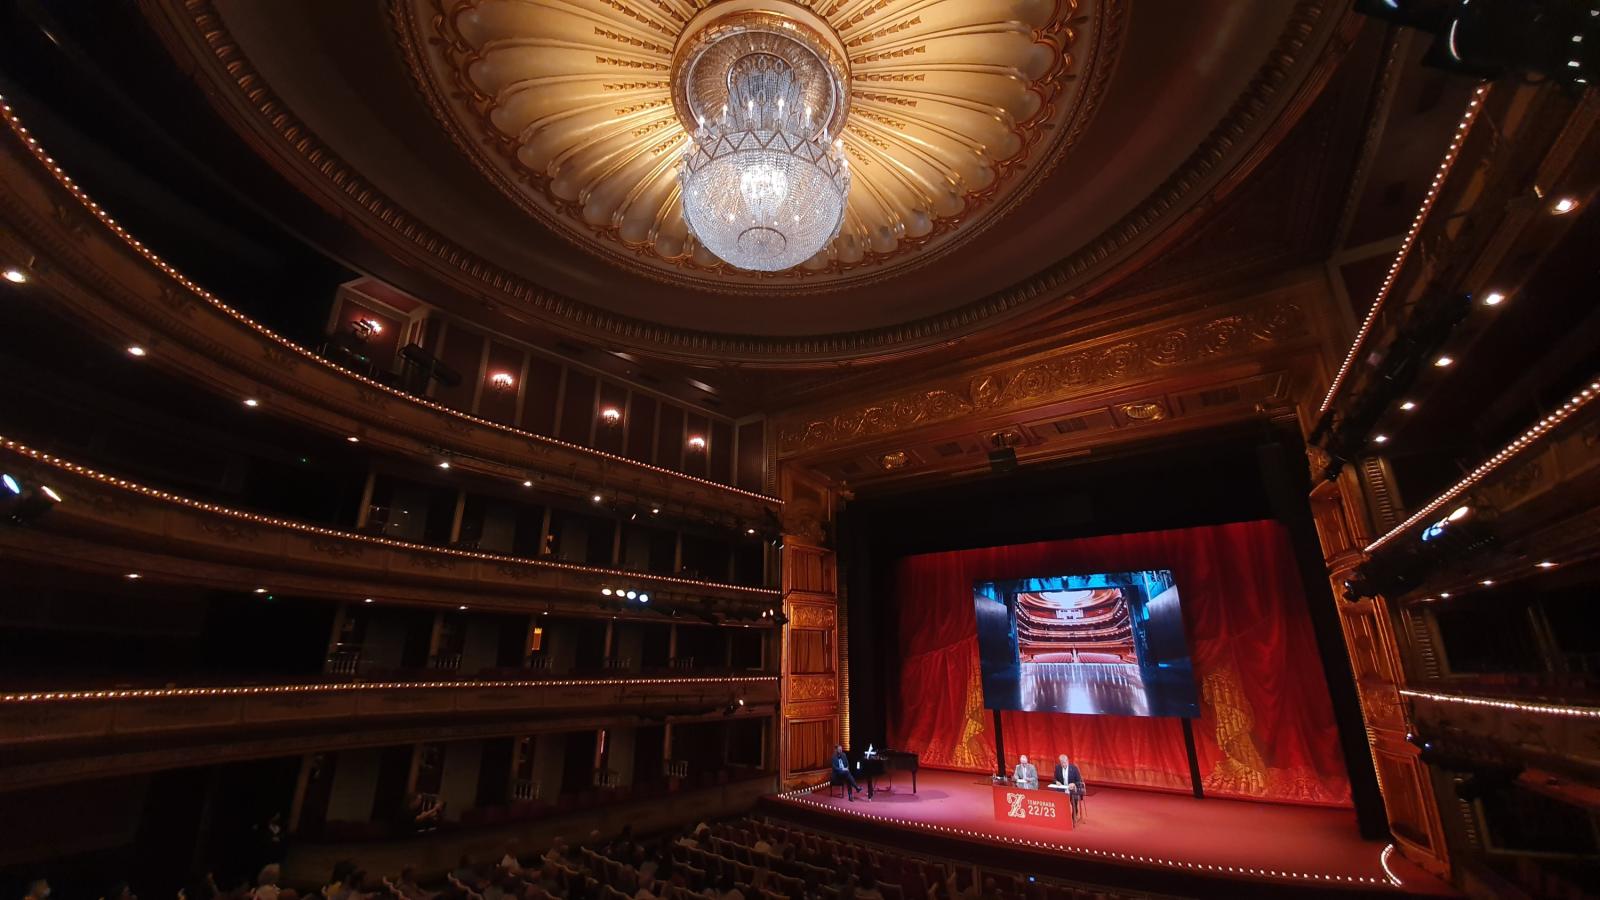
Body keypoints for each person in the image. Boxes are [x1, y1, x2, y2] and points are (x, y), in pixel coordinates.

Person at [1053, 753, 1086, 818]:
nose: (1063, 764)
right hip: (1062, 789)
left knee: (1074, 800)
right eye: (1062, 763)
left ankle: (1074, 815)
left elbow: (1079, 781)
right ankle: (1062, 815)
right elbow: (1054, 779)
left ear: (1067, 761)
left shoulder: (1074, 768)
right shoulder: (1057, 768)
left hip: (1072, 789)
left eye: (1064, 762)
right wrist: (1056, 782)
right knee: (1058, 799)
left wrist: (1073, 784)